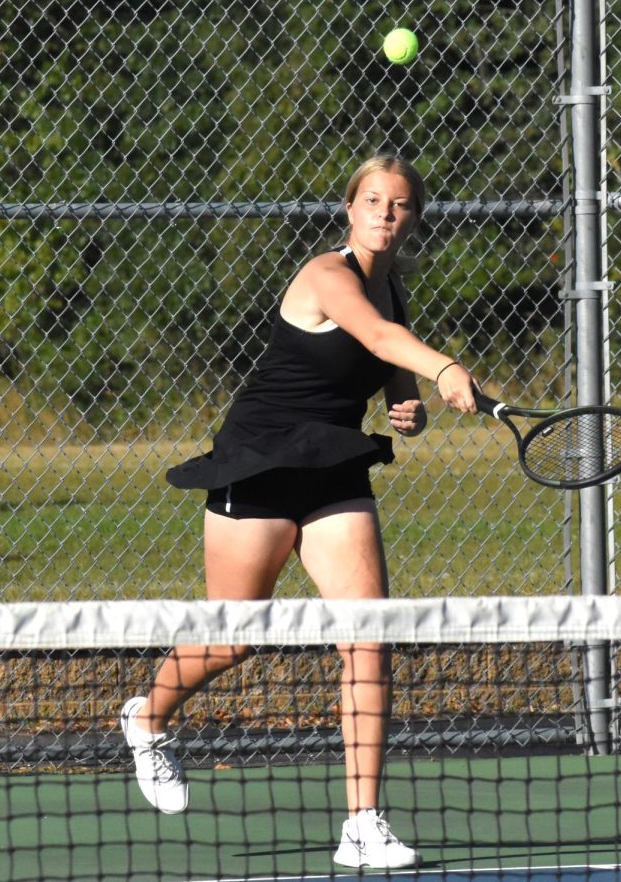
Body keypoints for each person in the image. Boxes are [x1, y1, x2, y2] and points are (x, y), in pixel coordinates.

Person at [119, 156, 479, 870]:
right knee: (236, 636)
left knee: (369, 635)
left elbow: (390, 375)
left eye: (400, 204)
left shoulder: (392, 292)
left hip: (336, 468)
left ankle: (363, 822)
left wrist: (409, 408)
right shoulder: (326, 275)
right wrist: (446, 366)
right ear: (349, 209)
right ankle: (147, 717)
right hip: (259, 461)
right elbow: (378, 341)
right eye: (372, 200)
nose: (385, 213)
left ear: (414, 218)